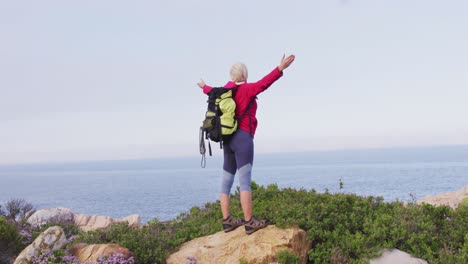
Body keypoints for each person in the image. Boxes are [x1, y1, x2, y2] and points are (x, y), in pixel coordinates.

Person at [197, 54, 295, 235]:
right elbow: (265, 83)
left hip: (227, 140)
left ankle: (227, 221)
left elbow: (210, 90)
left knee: (226, 182)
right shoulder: (248, 89)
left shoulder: (223, 90)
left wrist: (204, 87)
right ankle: (249, 222)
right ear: (244, 75)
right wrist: (280, 68)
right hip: (243, 139)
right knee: (244, 182)